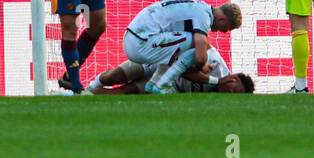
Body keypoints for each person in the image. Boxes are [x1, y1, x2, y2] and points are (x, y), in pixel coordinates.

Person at [86, 0, 243, 95]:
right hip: (143, 43)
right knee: (195, 42)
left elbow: (185, 69)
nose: (223, 32)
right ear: (222, 19)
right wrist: (203, 65)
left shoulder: (199, 7)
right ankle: (159, 85)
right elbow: (201, 56)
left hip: (149, 46)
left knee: (118, 85)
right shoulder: (203, 17)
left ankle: (84, 93)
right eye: (226, 28)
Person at [90, 46, 255, 94]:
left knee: (123, 92)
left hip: (168, 84)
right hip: (160, 61)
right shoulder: (214, 64)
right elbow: (181, 69)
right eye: (233, 91)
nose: (229, 95)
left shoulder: (216, 101)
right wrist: (213, 81)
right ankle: (92, 85)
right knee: (114, 76)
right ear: (233, 78)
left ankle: (85, 96)